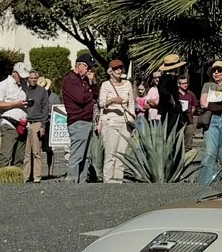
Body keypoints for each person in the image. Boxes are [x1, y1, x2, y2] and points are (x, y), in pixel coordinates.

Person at [97, 57, 138, 183]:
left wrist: (132, 117)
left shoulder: (127, 84)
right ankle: (108, 181)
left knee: (121, 153)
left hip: (125, 122)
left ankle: (118, 180)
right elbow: (101, 103)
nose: (119, 71)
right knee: (110, 153)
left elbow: (131, 103)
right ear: (111, 71)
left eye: (120, 68)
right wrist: (113, 100)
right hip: (110, 121)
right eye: (116, 69)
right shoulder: (106, 85)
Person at [60, 55, 99, 183]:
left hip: (87, 120)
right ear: (79, 65)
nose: (89, 70)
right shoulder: (70, 80)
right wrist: (89, 90)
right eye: (88, 67)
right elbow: (81, 98)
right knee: (77, 155)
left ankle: (82, 184)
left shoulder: (85, 80)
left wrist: (93, 84)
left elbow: (96, 95)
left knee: (85, 156)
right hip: (78, 121)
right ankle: (71, 183)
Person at [0, 61, 32, 170]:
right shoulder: (3, 85)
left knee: (19, 156)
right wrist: (17, 104)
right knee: (6, 154)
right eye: (20, 76)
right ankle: (1, 177)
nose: (22, 79)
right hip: (9, 123)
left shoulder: (24, 86)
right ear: (14, 73)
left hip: (22, 123)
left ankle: (16, 177)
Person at [23, 69, 54, 180]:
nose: (33, 80)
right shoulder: (24, 90)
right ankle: (25, 176)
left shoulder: (42, 92)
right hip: (25, 122)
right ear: (28, 79)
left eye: (35, 78)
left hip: (36, 122)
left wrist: (42, 125)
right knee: (26, 152)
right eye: (31, 78)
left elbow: (45, 109)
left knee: (36, 152)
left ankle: (37, 176)